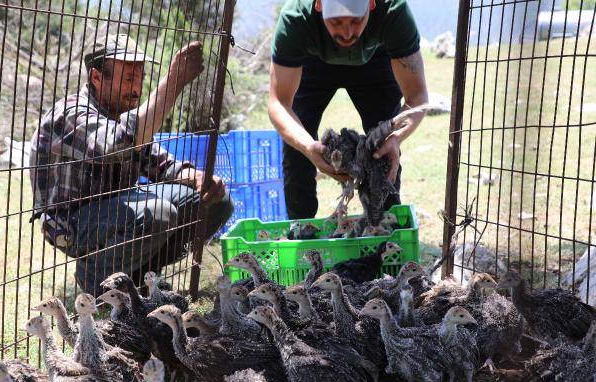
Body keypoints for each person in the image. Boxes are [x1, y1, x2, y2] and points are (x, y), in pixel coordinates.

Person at [29, 34, 233, 296]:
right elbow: (118, 144)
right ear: (96, 78)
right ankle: (99, 282)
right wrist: (173, 82)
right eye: (128, 79)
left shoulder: (120, 114)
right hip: (72, 223)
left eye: (140, 78)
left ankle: (138, 277)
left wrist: (195, 176)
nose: (136, 88)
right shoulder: (71, 114)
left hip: (119, 211)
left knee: (216, 200)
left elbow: (162, 165)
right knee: (158, 212)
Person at [268, 0, 429, 219]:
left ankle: (385, 229)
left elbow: (417, 96)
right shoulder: (297, 18)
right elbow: (279, 102)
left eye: (356, 20)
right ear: (318, 6)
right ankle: (302, 230)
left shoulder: (392, 12)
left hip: (375, 58)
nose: (347, 33)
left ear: (371, 5)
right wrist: (307, 147)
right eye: (336, 22)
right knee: (298, 145)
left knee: (383, 148)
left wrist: (396, 138)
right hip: (313, 60)